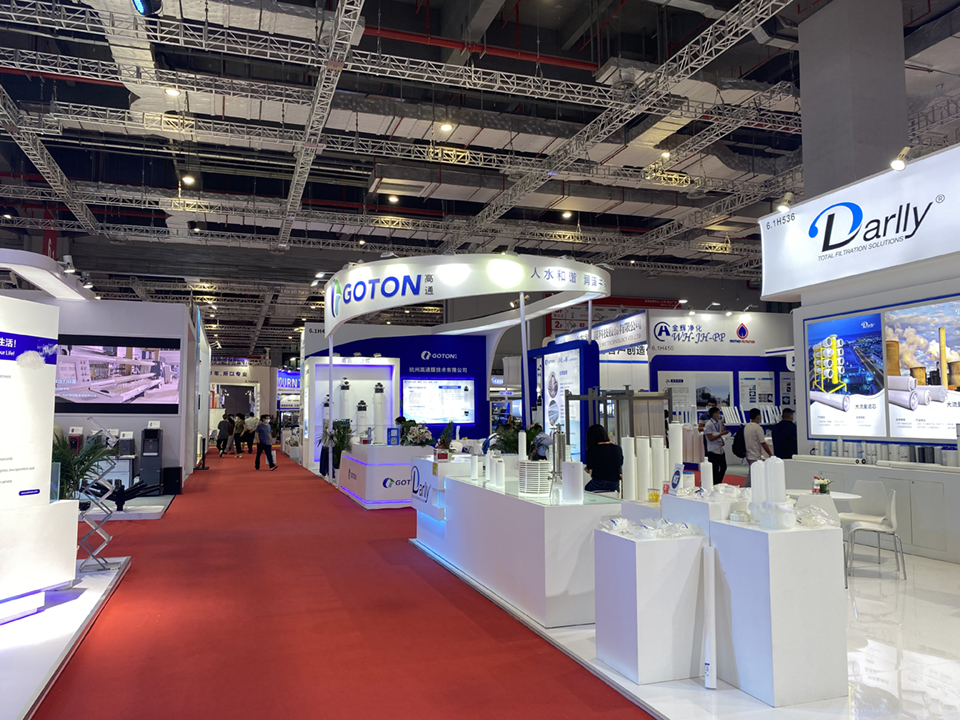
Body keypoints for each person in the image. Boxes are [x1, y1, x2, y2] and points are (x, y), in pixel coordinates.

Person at [584, 424, 623, 496]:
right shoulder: (617, 449)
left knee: (586, 490)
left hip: (598, 483)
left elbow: (591, 470)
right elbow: (620, 464)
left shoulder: (592, 450)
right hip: (614, 484)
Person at [744, 408, 772, 488]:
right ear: (758, 416)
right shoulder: (758, 428)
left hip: (748, 453)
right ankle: (744, 489)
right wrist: (770, 454)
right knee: (752, 476)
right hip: (755, 454)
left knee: (752, 474)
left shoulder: (747, 426)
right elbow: (763, 442)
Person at [703, 406, 729, 486]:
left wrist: (723, 431)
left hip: (720, 449)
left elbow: (720, 432)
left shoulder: (719, 422)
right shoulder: (708, 424)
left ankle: (718, 482)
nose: (719, 415)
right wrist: (721, 434)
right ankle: (715, 484)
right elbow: (710, 438)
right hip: (713, 450)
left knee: (723, 467)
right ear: (714, 414)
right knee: (715, 469)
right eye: (718, 413)